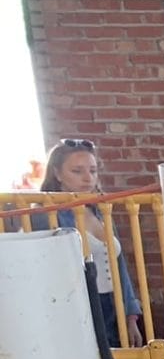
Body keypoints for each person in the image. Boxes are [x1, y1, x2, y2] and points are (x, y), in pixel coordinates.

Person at [33, 139, 143, 346]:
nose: (88, 178)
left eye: (93, 171)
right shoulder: (46, 215)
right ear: (57, 174)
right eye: (77, 171)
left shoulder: (101, 211)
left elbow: (120, 267)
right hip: (78, 305)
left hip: (114, 303)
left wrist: (131, 315)